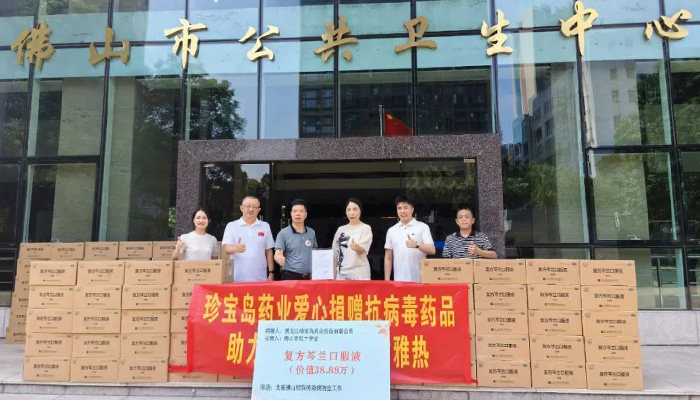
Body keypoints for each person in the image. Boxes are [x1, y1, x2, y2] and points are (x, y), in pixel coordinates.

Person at [222, 196, 275, 282]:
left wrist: (271, 272)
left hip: (260, 278)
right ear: (241, 208)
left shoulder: (265, 226)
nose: (251, 209)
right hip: (236, 278)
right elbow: (226, 248)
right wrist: (236, 248)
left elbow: (269, 251)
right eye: (248, 206)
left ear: (258, 210)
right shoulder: (231, 226)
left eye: (254, 207)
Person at [384, 195, 435, 282]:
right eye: (399, 208)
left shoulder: (423, 227)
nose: (402, 211)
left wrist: (416, 245)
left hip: (419, 280)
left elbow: (432, 250)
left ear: (412, 209)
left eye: (405, 207)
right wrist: (387, 281)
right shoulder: (391, 230)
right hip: (399, 280)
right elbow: (388, 257)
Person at [274, 199, 318, 280]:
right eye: (294, 211)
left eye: (301, 211)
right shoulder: (283, 233)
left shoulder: (311, 232)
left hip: (309, 276)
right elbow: (278, 253)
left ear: (305, 214)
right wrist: (279, 258)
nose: (297, 214)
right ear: (291, 214)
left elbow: (315, 252)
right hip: (290, 276)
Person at [332, 198, 373, 280]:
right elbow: (335, 255)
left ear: (360, 211)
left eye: (355, 209)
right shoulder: (340, 230)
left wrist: (357, 247)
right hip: (341, 274)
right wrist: (334, 276)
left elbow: (362, 250)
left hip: (360, 274)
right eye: (349, 210)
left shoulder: (365, 228)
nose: (351, 213)